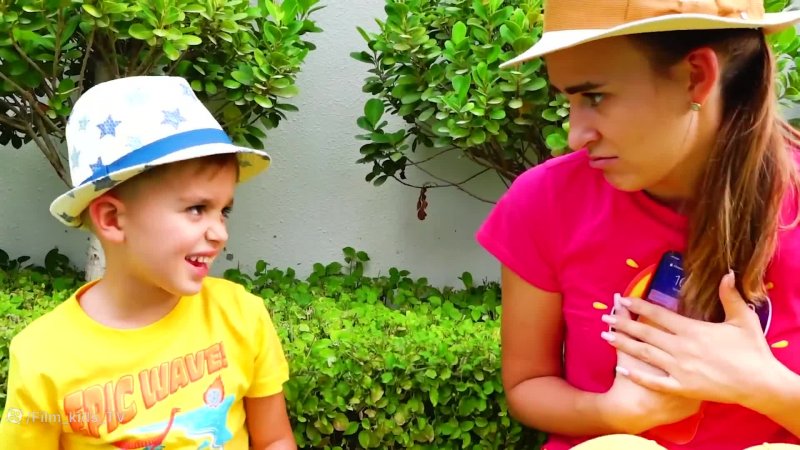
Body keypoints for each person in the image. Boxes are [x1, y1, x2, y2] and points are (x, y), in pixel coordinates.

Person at [476, 1, 800, 449]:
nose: (575, 136)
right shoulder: (543, 201)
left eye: (595, 97)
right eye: (568, 100)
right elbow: (528, 383)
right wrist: (616, 415)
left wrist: (763, 385)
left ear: (696, 77)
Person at [0, 76, 296, 449]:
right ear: (112, 219)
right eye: (197, 208)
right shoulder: (43, 355)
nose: (220, 232)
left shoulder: (242, 316)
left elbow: (274, 439)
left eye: (224, 211)